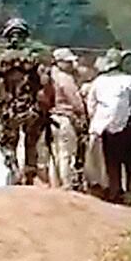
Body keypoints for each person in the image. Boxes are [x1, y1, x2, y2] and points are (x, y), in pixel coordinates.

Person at [0, 18, 50, 185]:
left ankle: (14, 173)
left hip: (7, 109)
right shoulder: (33, 59)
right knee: (31, 142)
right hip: (30, 107)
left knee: (9, 143)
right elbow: (44, 82)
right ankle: (29, 175)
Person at [86, 49, 131, 203]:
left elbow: (90, 106)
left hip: (105, 128)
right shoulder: (130, 81)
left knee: (112, 163)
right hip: (126, 126)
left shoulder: (98, 82)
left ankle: (114, 192)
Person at [47, 48, 87, 190]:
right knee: (66, 154)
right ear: (60, 62)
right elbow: (75, 101)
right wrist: (83, 113)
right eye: (68, 62)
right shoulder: (64, 78)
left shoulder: (49, 76)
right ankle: (66, 184)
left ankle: (54, 184)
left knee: (54, 154)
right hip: (65, 117)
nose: (71, 65)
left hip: (51, 118)